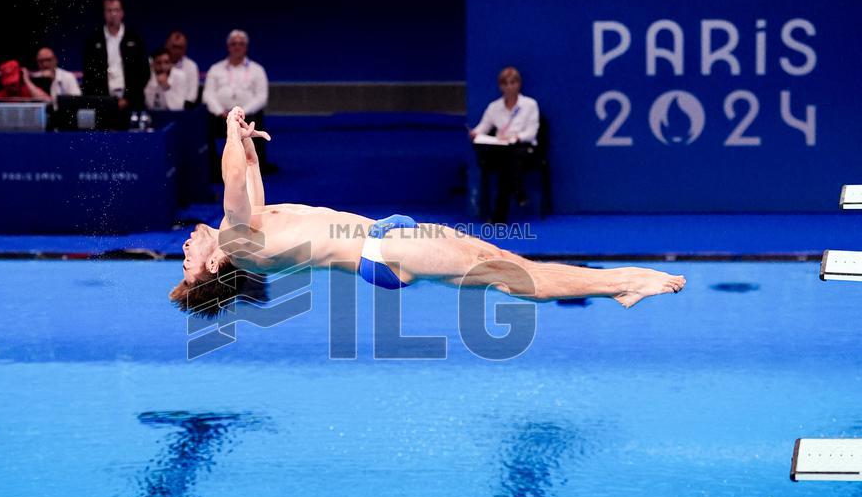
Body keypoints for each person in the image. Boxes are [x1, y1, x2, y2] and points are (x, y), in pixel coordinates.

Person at [169, 107, 686, 318]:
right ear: (216, 266)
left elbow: (251, 195)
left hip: (383, 241)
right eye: (189, 262)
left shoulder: (244, 241)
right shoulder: (236, 244)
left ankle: (618, 284)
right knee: (512, 277)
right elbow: (233, 182)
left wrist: (248, 147)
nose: (187, 250)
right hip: (384, 249)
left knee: (504, 262)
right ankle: (623, 283)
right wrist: (230, 127)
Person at [470, 66, 542, 222]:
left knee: (510, 159)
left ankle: (499, 215)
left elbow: (531, 133)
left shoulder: (530, 105)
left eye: (513, 83)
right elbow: (482, 128)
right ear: (500, 86)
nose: (510, 87)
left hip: (524, 149)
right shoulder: (494, 107)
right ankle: (519, 191)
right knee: (507, 159)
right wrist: (475, 133)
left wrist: (515, 138)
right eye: (506, 83)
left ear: (519, 84)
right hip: (500, 150)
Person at [203, 30, 271, 170]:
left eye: (241, 44)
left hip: (247, 115)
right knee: (203, 124)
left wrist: (241, 112)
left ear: (246, 47)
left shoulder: (257, 70)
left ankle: (255, 166)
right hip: (220, 116)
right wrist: (220, 111)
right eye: (234, 44)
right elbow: (208, 94)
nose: (237, 47)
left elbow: (261, 97)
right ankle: (215, 168)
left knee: (255, 121)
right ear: (228, 46)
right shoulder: (215, 69)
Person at [82, 0, 150, 114]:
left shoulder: (135, 38)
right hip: (103, 105)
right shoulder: (93, 41)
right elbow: (89, 75)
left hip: (132, 103)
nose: (113, 14)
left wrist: (128, 99)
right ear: (104, 14)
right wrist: (103, 101)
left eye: (116, 10)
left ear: (122, 13)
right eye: (109, 10)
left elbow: (143, 73)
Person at [165, 31, 200, 107]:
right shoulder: (155, 62)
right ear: (167, 45)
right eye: (174, 46)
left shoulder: (191, 66)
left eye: (180, 47)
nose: (177, 51)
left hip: (182, 109)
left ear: (185, 48)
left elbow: (192, 95)